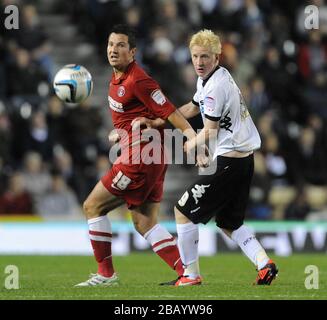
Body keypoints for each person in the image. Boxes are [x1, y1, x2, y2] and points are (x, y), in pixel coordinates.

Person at [136, 29, 278, 286]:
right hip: (242, 161)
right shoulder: (214, 78)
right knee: (229, 222)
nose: (199, 62)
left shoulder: (215, 87)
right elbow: (192, 107)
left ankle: (190, 276)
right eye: (195, 57)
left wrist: (192, 145)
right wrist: (162, 120)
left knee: (182, 210)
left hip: (229, 163)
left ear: (217, 57)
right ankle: (264, 264)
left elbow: (209, 130)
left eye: (205, 57)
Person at [75, 24, 207, 287]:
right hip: (150, 156)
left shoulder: (139, 80)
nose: (114, 49)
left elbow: (170, 111)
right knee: (144, 222)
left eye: (121, 45)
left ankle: (106, 275)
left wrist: (194, 138)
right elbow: (134, 116)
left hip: (140, 159)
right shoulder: (117, 79)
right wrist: (121, 134)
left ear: (132, 52)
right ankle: (187, 273)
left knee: (92, 206)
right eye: (111, 44)